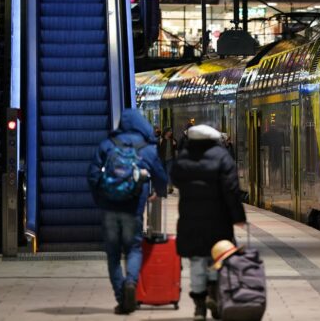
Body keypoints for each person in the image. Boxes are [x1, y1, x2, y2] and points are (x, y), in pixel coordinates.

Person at [87, 109, 168, 315]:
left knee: (113, 255)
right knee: (133, 249)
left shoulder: (107, 145)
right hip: (133, 208)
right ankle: (131, 282)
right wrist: (158, 193)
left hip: (109, 208)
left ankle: (122, 298)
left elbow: (93, 175)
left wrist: (101, 199)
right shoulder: (147, 149)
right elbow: (160, 176)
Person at [170, 124, 247, 320]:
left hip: (190, 220)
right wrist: (238, 217)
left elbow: (175, 179)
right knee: (217, 258)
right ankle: (214, 293)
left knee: (196, 261)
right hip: (218, 220)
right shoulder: (222, 157)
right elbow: (231, 189)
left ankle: (199, 306)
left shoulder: (184, 158)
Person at [159, 127, 178, 194]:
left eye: (171, 131)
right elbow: (157, 150)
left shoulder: (173, 140)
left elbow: (175, 150)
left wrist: (175, 145)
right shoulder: (161, 140)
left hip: (170, 159)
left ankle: (170, 187)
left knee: (169, 173)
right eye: (169, 131)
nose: (171, 132)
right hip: (161, 159)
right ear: (166, 132)